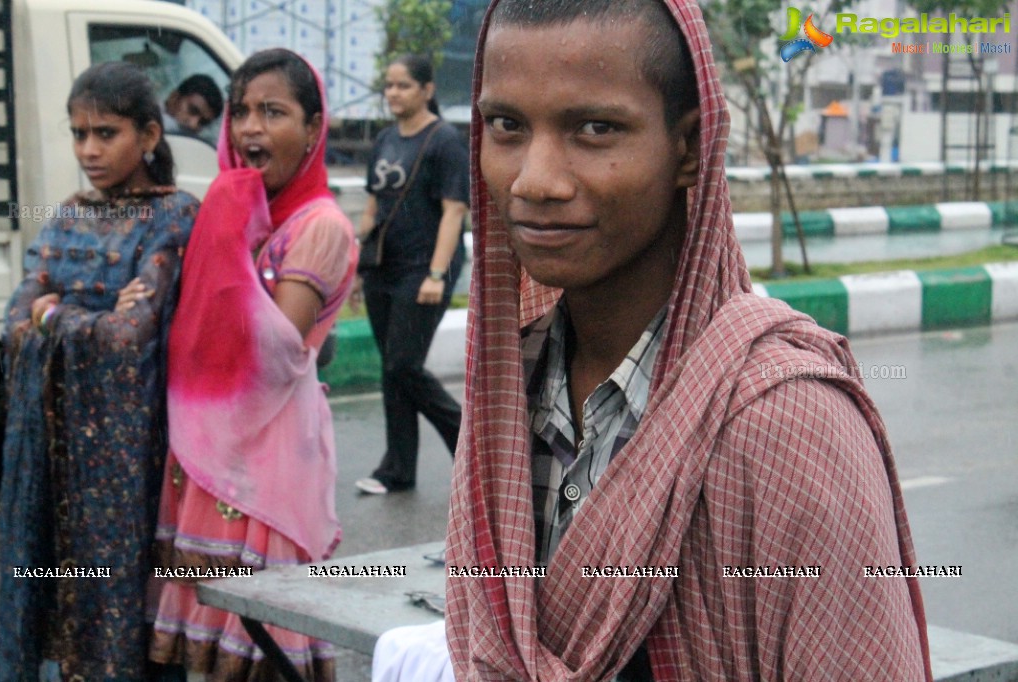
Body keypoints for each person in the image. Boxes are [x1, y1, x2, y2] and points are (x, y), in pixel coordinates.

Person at [444, 0, 934, 680]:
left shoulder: (783, 422)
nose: (534, 181)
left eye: (594, 129)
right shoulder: (507, 390)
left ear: (689, 147)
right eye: (506, 126)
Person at [148, 48, 356, 681]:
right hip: (208, 456)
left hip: (266, 469)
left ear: (315, 129)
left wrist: (222, 234)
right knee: (209, 649)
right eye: (240, 112)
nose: (249, 130)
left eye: (274, 112)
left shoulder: (319, 226)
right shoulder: (242, 213)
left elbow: (273, 349)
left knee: (263, 642)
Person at [0, 61, 198, 681]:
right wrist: (86, 312)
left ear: (149, 136)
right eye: (78, 133)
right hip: (46, 450)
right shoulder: (68, 213)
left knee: (123, 595)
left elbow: (126, 340)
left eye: (105, 133)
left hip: (128, 454)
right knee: (47, 581)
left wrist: (54, 310)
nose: (89, 149)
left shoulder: (175, 217)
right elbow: (13, 322)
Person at [353, 54, 468, 495]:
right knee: (392, 369)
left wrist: (437, 273)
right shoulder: (384, 139)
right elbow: (372, 206)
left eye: (403, 85)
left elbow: (454, 211)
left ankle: (469, 444)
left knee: (404, 364)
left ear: (427, 89)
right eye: (389, 85)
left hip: (423, 268)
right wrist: (351, 248)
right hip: (383, 266)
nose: (393, 93)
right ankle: (397, 469)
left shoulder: (444, 141)